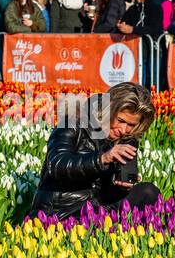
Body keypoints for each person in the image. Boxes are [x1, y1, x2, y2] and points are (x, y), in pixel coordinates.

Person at [30, 81, 161, 220]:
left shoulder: (127, 138)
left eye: (131, 124)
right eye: (120, 120)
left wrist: (120, 186)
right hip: (64, 209)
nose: (123, 130)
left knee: (149, 192)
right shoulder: (73, 122)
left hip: (99, 206)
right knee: (95, 215)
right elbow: (56, 166)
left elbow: (107, 194)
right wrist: (102, 159)